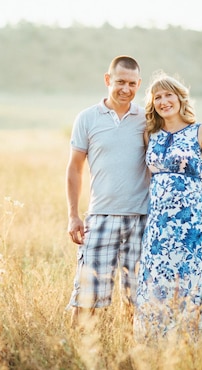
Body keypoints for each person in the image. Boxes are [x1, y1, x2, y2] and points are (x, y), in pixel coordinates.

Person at [134, 70, 202, 342]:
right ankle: (155, 345)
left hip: (192, 226)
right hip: (159, 228)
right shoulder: (151, 135)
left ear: (180, 98)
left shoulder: (201, 131)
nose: (163, 101)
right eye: (157, 97)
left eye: (168, 94)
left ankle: (188, 346)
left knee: (189, 283)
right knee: (155, 284)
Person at [66, 55, 150, 327]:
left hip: (141, 218)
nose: (126, 89)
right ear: (107, 80)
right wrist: (73, 215)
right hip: (100, 217)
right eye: (120, 82)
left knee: (137, 296)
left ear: (139, 84)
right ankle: (77, 353)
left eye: (132, 83)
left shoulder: (147, 119)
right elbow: (74, 169)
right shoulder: (87, 118)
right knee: (87, 296)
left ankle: (129, 352)